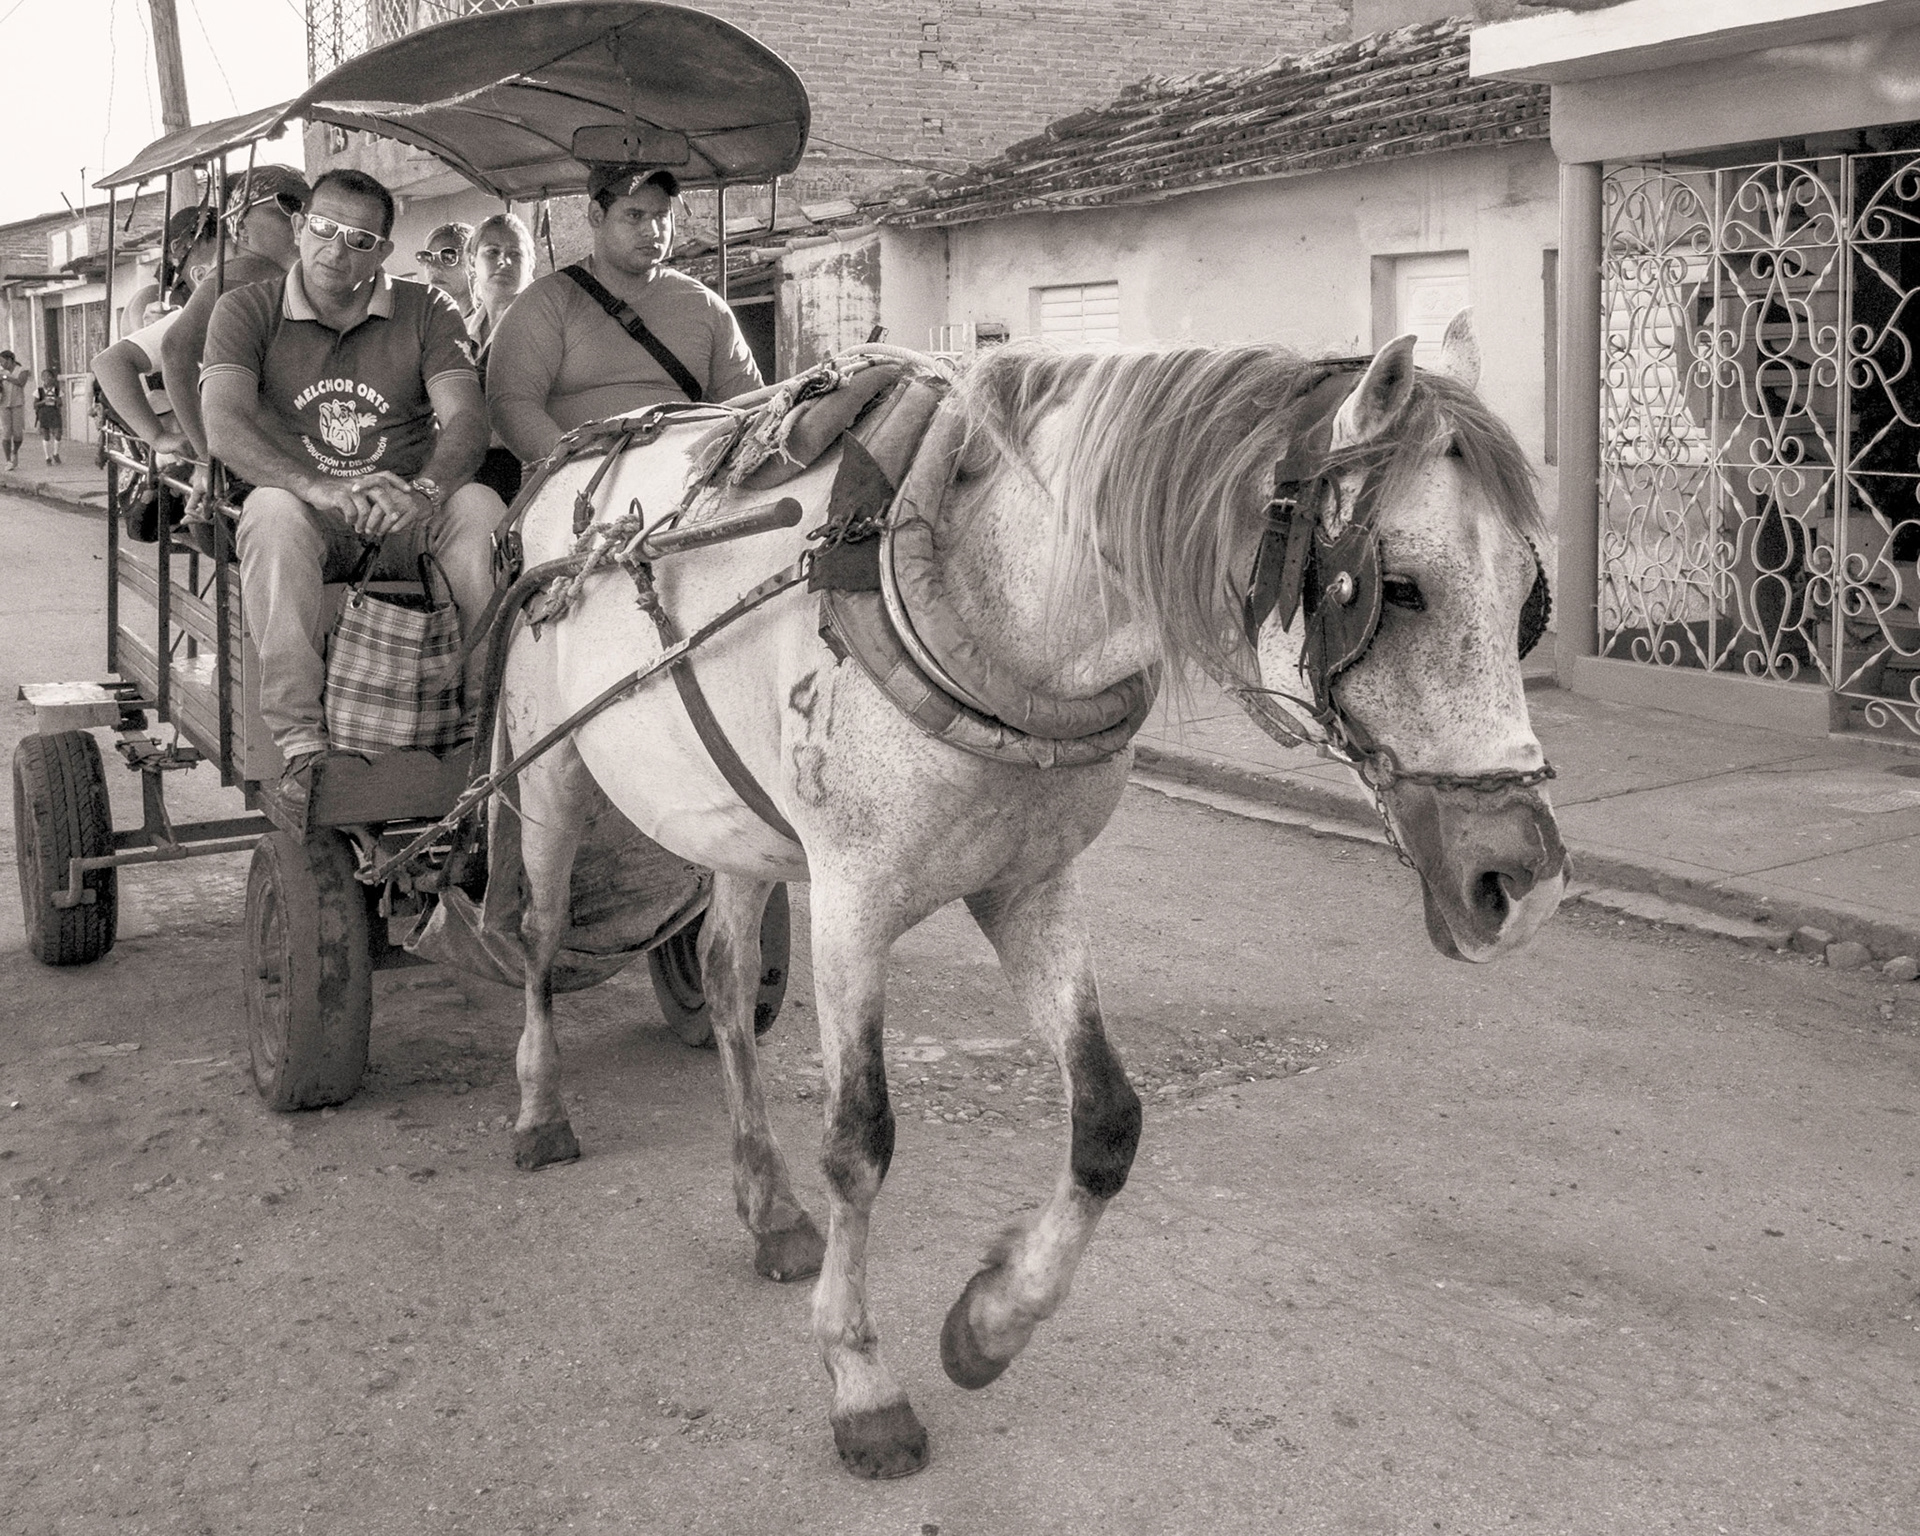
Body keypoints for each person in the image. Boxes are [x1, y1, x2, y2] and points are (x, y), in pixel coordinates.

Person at [199, 167, 500, 804]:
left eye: (359, 240)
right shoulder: (247, 310)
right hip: (313, 518)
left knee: (480, 509)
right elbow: (223, 422)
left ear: (384, 252)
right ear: (300, 228)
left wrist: (421, 492)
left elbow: (467, 417)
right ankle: (301, 738)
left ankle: (485, 717)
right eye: (325, 230)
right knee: (271, 513)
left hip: (406, 517)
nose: (336, 250)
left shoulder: (428, 310)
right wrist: (317, 489)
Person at [486, 165, 761, 466]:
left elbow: (751, 407)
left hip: (684, 484)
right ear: (596, 216)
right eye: (635, 215)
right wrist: (568, 465)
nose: (652, 231)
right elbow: (510, 403)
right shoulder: (547, 301)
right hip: (577, 489)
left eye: (661, 216)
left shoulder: (706, 307)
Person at [162, 163, 310, 459]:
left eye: (311, 209)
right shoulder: (246, 272)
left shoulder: (291, 277)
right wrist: (207, 455)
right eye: (288, 205)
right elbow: (175, 350)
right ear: (241, 227)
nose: (301, 220)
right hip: (277, 455)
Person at [463, 210, 535, 502]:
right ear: (472, 262)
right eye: (492, 252)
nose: (503, 262)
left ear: (530, 265)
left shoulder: (539, 326)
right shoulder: (461, 330)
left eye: (515, 254)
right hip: (467, 469)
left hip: (520, 471)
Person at [416, 221, 474, 312]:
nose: (434, 267)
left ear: (473, 263)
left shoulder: (492, 320)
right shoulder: (425, 320)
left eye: (448, 257)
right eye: (427, 257)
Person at [0, 350, 30, 470]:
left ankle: (15, 451)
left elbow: (20, 382)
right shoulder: (1, 371)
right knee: (6, 432)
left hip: (17, 404)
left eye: (3, 361)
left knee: (18, 433)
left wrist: (6, 377)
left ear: (10, 360)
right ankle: (8, 460)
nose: (2, 364)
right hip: (3, 404)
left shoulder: (22, 370)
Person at [33, 370, 62, 464]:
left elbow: (61, 403)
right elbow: (35, 405)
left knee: (58, 433)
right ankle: (47, 457)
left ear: (53, 378)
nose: (48, 379)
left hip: (54, 412)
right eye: (45, 377)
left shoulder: (57, 390)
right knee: (46, 435)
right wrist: (44, 401)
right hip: (44, 413)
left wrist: (56, 398)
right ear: (42, 378)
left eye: (50, 376)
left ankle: (55, 453)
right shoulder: (39, 391)